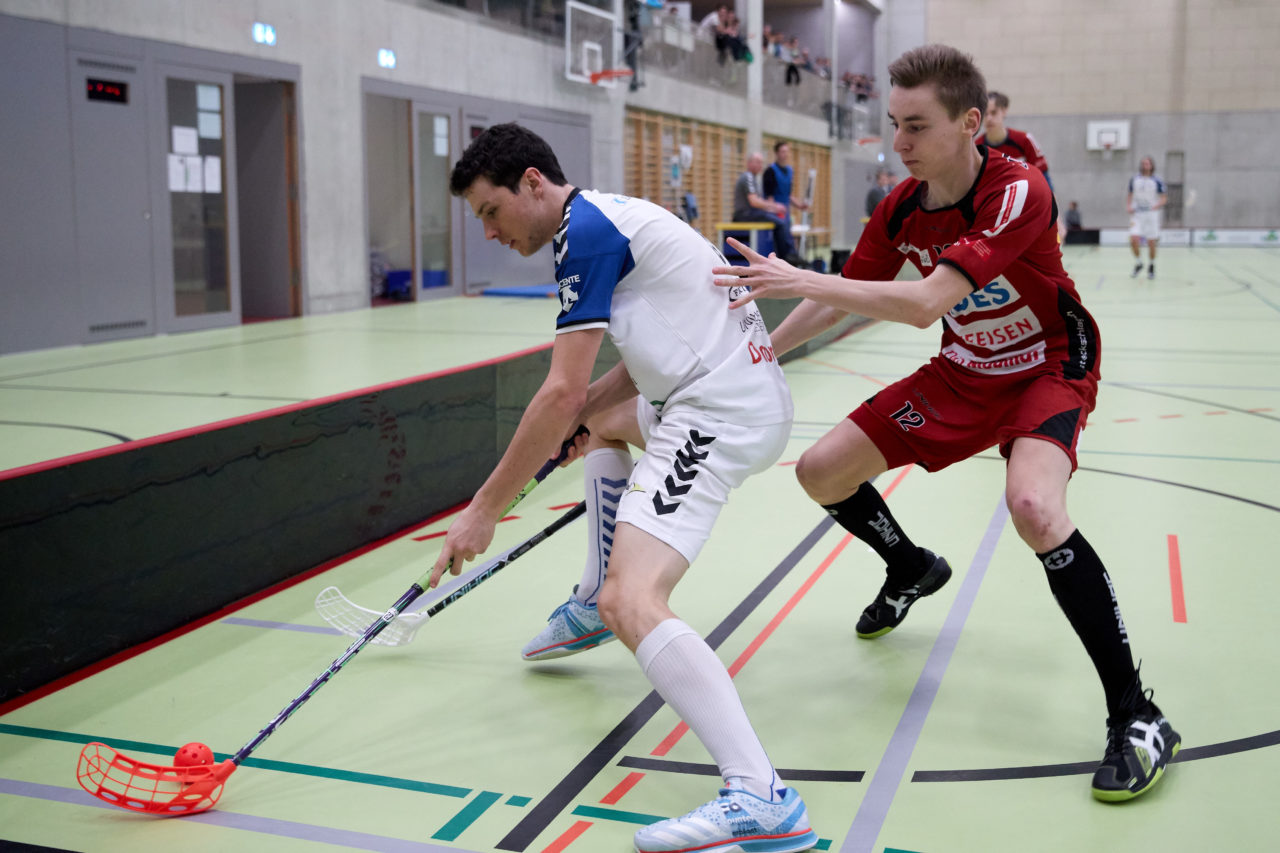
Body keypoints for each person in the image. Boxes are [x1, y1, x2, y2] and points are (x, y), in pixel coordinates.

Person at [714, 44, 1180, 804]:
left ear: (969, 122)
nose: (899, 144)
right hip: (965, 369)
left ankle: (1138, 712)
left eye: (916, 126)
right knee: (821, 469)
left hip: (1049, 364)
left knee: (1033, 504)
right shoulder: (901, 205)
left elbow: (927, 300)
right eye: (893, 124)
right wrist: (754, 350)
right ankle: (909, 566)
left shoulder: (1016, 190)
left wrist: (799, 272)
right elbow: (840, 298)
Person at [438, 123, 817, 853]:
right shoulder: (597, 222)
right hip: (714, 390)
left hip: (720, 411)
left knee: (634, 598)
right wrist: (586, 418)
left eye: (490, 211)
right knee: (603, 423)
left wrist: (483, 511)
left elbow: (556, 392)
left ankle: (761, 794)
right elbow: (616, 380)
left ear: (531, 183)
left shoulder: (587, 234)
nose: (487, 231)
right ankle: (589, 604)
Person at [733, 151, 801, 264]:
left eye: (761, 163)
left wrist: (773, 208)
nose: (760, 165)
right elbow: (754, 202)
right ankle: (787, 256)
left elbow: (759, 203)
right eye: (757, 162)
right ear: (749, 163)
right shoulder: (748, 177)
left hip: (751, 214)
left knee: (778, 220)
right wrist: (775, 206)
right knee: (780, 222)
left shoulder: (754, 179)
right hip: (744, 215)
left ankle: (784, 254)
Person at [977, 90, 1053, 191]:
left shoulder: (1025, 140)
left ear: (1004, 111)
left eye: (993, 112)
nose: (989, 118)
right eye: (985, 114)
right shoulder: (976, 146)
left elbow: (1043, 176)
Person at [1127, 156, 1167, 279]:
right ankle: (1139, 263)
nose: (1145, 165)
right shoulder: (1134, 179)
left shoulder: (1157, 181)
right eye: (1143, 163)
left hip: (1151, 215)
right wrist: (1129, 206)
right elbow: (1129, 194)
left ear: (1151, 165)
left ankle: (1151, 265)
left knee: (1151, 242)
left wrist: (1157, 205)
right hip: (1137, 214)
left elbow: (1164, 198)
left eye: (1148, 163)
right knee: (1134, 239)